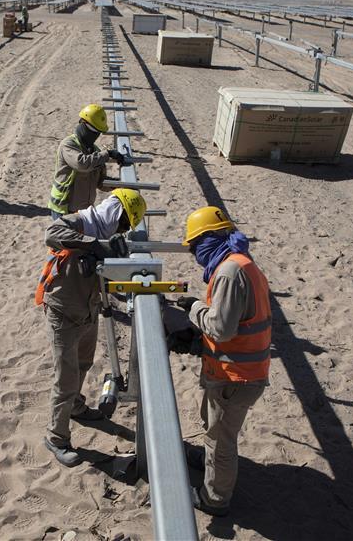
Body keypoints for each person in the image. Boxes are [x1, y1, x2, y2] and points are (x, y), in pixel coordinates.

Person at [169, 206, 271, 517]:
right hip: (236, 371)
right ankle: (208, 463)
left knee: (221, 440)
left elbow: (222, 329)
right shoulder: (240, 262)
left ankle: (215, 498)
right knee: (211, 426)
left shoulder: (229, 272)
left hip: (236, 376)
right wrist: (199, 342)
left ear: (210, 239)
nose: (195, 253)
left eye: (196, 245)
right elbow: (237, 324)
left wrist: (195, 309)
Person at [35, 189, 147, 466]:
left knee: (83, 363)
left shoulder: (105, 232)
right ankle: (56, 437)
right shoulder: (80, 221)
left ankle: (76, 407)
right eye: (121, 222)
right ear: (114, 210)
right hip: (63, 311)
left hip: (87, 309)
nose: (120, 229)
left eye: (124, 227)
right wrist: (94, 244)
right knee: (66, 379)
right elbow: (52, 232)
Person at [47, 104, 127, 219]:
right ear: (83, 123)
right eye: (93, 131)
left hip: (83, 212)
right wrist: (108, 154)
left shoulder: (95, 151)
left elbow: (100, 182)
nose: (95, 135)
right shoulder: (68, 145)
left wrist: (120, 184)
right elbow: (82, 164)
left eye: (98, 132)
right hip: (63, 209)